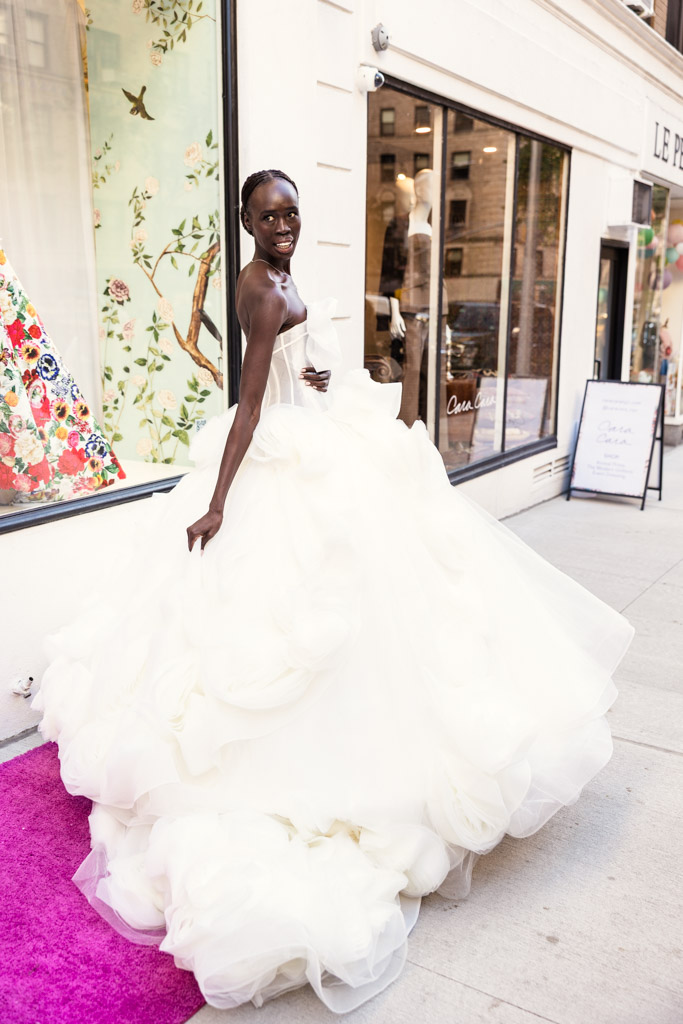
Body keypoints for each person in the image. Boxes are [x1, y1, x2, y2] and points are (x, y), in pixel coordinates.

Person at [35, 169, 634, 1014]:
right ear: (245, 221)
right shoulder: (263, 292)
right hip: (276, 453)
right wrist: (215, 504)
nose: (283, 224)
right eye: (269, 215)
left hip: (298, 427)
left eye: (290, 213)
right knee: (308, 611)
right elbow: (246, 410)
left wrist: (307, 381)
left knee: (366, 593)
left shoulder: (275, 282)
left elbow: (277, 376)